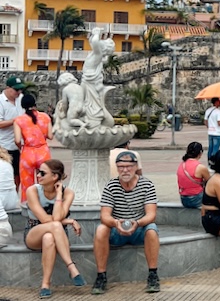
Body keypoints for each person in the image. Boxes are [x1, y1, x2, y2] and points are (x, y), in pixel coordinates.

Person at [92, 151, 161, 294]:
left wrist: (138, 223)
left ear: (136, 167)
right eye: (121, 167)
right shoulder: (111, 186)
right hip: (117, 230)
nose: (125, 170)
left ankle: (153, 275)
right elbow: (104, 216)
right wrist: (116, 223)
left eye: (128, 166)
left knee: (152, 229)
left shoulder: (147, 184)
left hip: (139, 228)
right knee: (101, 229)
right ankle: (101, 276)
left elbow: (151, 214)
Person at [23, 159, 86, 297]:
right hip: (34, 232)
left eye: (42, 173)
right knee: (54, 226)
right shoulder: (32, 190)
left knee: (49, 237)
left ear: (55, 177)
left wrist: (58, 195)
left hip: (57, 236)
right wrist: (68, 220)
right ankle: (71, 266)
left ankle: (45, 285)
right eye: (39, 172)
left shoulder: (68, 193)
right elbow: (45, 220)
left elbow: (56, 217)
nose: (38, 175)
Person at [14, 93, 52, 204]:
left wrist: (21, 147)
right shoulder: (45, 117)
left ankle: (28, 206)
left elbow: (17, 140)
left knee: (27, 184)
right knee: (45, 182)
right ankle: (45, 204)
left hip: (28, 152)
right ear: (35, 103)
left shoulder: (19, 120)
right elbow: (50, 136)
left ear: (22, 106)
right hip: (43, 152)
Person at [0, 75, 25, 189]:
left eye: (20, 89)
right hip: (4, 144)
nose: (18, 92)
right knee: (5, 173)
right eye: (16, 89)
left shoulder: (21, 99)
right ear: (8, 88)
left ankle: (14, 194)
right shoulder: (1, 101)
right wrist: (15, 120)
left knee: (17, 173)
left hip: (19, 144)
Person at [177, 142, 210, 209]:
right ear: (200, 153)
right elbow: (210, 182)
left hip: (184, 199)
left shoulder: (181, 165)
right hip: (196, 199)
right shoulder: (200, 167)